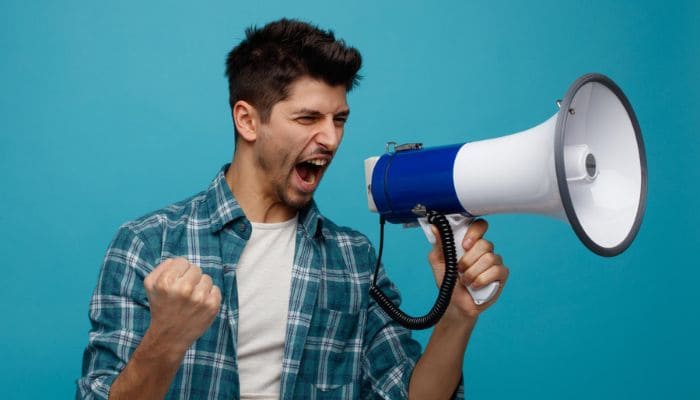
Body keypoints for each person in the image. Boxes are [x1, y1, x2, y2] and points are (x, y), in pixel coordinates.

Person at [77, 18, 509, 400]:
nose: (331, 139)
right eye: (308, 119)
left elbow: (408, 394)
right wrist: (166, 339)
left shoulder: (353, 259)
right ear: (247, 121)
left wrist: (456, 315)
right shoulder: (147, 243)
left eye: (338, 119)